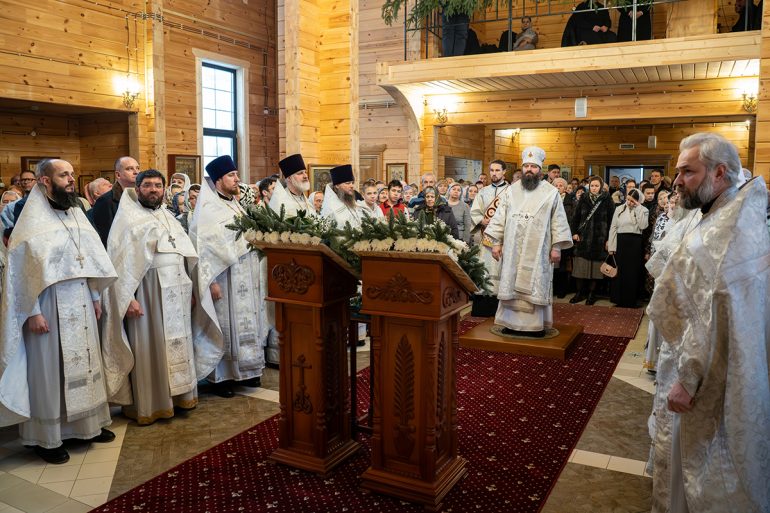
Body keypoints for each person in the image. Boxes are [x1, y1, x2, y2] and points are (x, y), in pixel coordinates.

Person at [647, 132, 770, 513]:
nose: (678, 180)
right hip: (722, 366)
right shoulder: (728, 215)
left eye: (688, 172)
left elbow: (707, 314)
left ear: (719, 173)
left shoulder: (724, 232)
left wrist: (687, 379)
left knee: (703, 463)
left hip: (710, 377)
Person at [0, 159, 118, 464]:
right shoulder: (31, 223)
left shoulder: (76, 213)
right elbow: (21, 274)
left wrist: (94, 295)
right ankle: (47, 437)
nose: (70, 179)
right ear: (44, 181)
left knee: (86, 363)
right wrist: (33, 312)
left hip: (80, 297)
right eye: (63, 175)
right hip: (47, 304)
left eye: (72, 174)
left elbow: (90, 258)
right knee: (50, 370)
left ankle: (87, 425)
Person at [101, 169, 207, 425]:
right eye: (147, 185)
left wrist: (192, 288)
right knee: (152, 348)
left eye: (158, 185)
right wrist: (128, 299)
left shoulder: (167, 216)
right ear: (137, 190)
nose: (153, 190)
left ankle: (182, 396)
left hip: (178, 291)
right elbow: (120, 265)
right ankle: (153, 404)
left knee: (178, 344)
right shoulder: (127, 220)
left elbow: (185, 255)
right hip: (147, 293)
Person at [190, 155, 268, 398]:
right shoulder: (207, 210)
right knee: (225, 325)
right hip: (223, 278)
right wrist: (210, 281)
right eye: (231, 176)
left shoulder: (235, 204)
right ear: (217, 181)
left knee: (245, 322)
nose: (237, 179)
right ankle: (221, 378)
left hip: (243, 276)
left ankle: (245, 371)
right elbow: (202, 248)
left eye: (236, 174)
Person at [487, 147, 572, 337]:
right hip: (512, 248)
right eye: (526, 166)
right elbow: (500, 217)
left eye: (533, 166)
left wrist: (556, 247)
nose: (529, 170)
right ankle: (511, 324)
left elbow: (558, 221)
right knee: (512, 282)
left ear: (540, 170)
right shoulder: (510, 191)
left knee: (535, 285)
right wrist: (496, 243)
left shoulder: (551, 193)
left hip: (539, 251)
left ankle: (535, 326)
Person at [569, 176, 614, 305]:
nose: (594, 188)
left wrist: (608, 239)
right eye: (592, 185)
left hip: (600, 240)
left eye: (596, 186)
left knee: (595, 270)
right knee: (580, 268)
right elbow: (575, 218)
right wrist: (575, 233)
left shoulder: (607, 200)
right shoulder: (583, 198)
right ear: (589, 186)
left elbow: (612, 222)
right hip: (583, 239)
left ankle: (591, 294)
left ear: (601, 187)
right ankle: (579, 293)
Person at [470, 160, 510, 302]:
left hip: (504, 238)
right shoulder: (483, 191)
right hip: (486, 237)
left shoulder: (511, 191)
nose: (494, 173)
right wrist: (482, 220)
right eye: (492, 170)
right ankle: (484, 300)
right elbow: (475, 211)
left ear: (504, 172)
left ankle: (502, 299)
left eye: (497, 170)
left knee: (502, 267)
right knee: (486, 266)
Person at [608, 188, 648, 307]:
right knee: (620, 271)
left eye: (632, 201)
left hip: (635, 242)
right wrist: (611, 246)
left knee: (633, 272)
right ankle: (618, 299)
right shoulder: (619, 209)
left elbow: (643, 225)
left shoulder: (643, 210)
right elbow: (613, 227)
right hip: (621, 242)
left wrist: (638, 208)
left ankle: (631, 300)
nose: (629, 203)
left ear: (638, 201)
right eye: (628, 200)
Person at [90, 156, 141, 246]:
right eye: (129, 169)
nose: (136, 172)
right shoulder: (106, 201)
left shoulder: (142, 197)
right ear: (118, 175)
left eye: (137, 168)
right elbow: (106, 236)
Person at [320, 165, 367, 229]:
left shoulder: (350, 201)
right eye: (348, 183)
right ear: (337, 186)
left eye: (352, 183)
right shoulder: (329, 207)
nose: (352, 186)